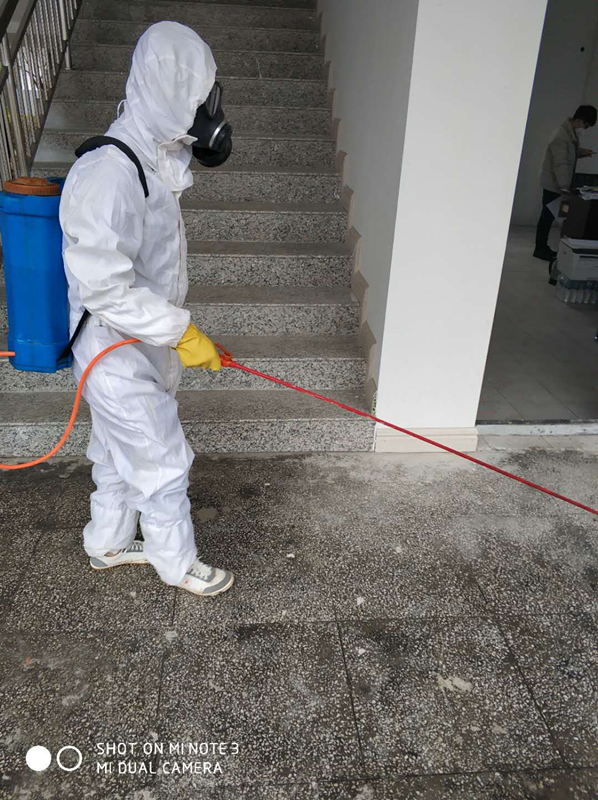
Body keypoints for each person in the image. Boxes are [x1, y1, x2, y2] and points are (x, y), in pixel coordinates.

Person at [59, 22, 235, 597]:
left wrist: (173, 336)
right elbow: (104, 289)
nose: (206, 113)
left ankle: (107, 541)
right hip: (111, 348)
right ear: (167, 89)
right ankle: (175, 561)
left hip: (138, 343)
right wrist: (181, 331)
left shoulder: (149, 162)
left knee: (115, 449)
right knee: (161, 456)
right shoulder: (109, 172)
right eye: (198, 96)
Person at [533, 104, 597, 260]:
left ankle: (549, 248)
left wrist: (582, 152)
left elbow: (569, 153)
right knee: (548, 216)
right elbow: (560, 163)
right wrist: (564, 187)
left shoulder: (569, 133)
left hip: (560, 185)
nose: (585, 129)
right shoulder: (561, 136)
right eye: (586, 125)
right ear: (580, 120)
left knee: (559, 215)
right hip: (554, 185)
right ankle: (540, 249)